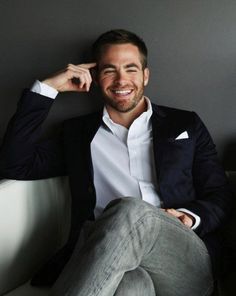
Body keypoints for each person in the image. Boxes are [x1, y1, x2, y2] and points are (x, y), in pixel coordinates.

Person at [0, 29, 232, 296]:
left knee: (132, 210)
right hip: (108, 256)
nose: (122, 80)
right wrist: (47, 89)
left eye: (131, 69)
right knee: (131, 286)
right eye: (110, 70)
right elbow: (13, 164)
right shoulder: (77, 134)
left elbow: (220, 195)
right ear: (97, 78)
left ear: (146, 75)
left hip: (181, 255)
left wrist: (189, 219)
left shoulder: (185, 124)